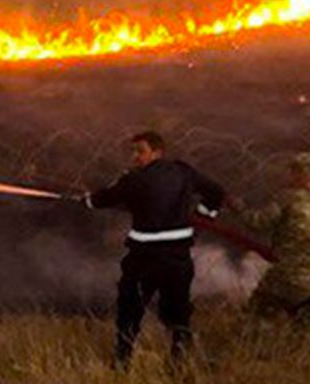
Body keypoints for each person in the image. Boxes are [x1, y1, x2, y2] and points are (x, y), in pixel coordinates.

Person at [83, 130, 231, 369]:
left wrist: (86, 200)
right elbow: (216, 193)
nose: (135, 157)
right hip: (178, 258)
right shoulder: (184, 172)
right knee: (178, 312)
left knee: (130, 310)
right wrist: (201, 217)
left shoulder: (133, 179)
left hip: (144, 259)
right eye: (133, 151)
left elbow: (104, 199)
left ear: (157, 151)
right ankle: (179, 363)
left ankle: (122, 362)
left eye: (140, 151)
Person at [240, 152, 310, 322]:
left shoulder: (287, 199)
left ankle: (255, 346)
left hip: (288, 278)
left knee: (254, 317)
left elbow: (258, 223)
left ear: (296, 173)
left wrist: (239, 208)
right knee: (306, 333)